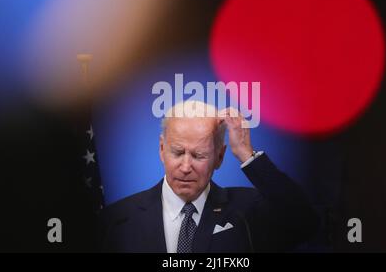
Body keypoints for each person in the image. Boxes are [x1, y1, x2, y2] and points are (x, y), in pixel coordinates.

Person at [98, 101, 319, 252]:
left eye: (198, 155)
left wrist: (246, 154)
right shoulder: (118, 220)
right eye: (177, 152)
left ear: (220, 157)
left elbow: (304, 222)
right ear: (161, 149)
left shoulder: (247, 211)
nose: (186, 167)